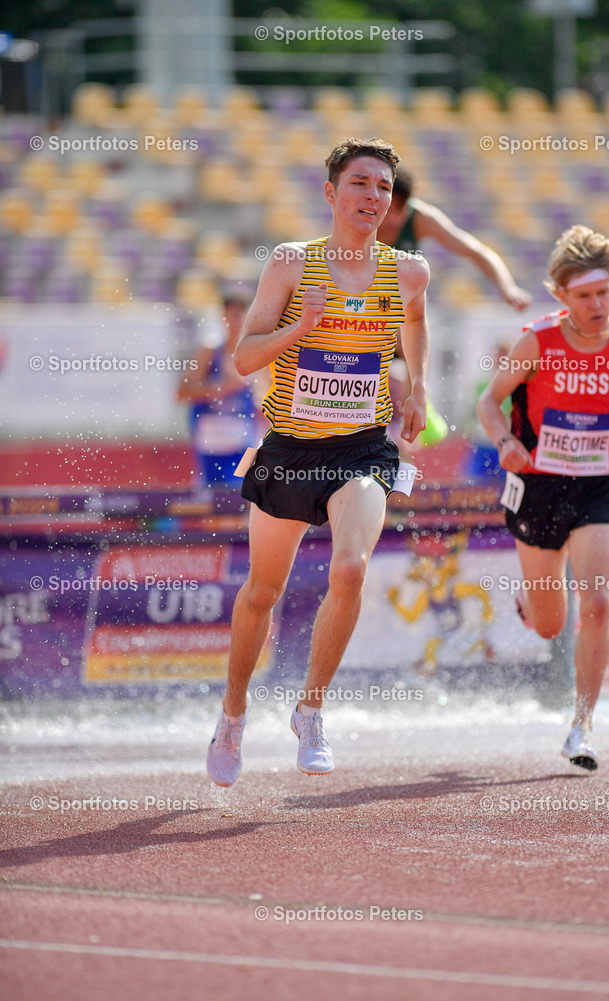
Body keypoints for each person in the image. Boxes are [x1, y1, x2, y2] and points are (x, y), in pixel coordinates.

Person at [207, 137, 430, 786]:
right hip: (289, 449)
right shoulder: (290, 263)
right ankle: (233, 712)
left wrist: (417, 387)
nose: (372, 197)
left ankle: (310, 710)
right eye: (360, 184)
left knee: (353, 568)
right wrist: (299, 332)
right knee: (262, 595)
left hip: (360, 447)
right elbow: (244, 358)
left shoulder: (407, 271)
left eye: (383, 188)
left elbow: (415, 322)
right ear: (331, 193)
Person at [476, 224, 609, 771]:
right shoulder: (536, 341)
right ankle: (530, 604)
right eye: (584, 296)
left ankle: (581, 725)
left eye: (604, 293)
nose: (597, 304)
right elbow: (490, 401)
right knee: (552, 623)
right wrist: (505, 440)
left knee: (599, 604)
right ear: (562, 297)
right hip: (536, 488)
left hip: (597, 488)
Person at [377, 167, 531, 311]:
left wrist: (507, 288)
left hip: (400, 299)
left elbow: (477, 251)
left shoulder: (421, 218)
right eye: (390, 209)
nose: (394, 219)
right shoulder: (359, 215)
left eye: (401, 209)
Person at [177, 290, 260, 486]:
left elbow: (264, 401)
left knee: (243, 496)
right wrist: (220, 389)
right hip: (209, 442)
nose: (236, 321)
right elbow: (181, 393)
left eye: (241, 315)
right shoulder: (209, 351)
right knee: (213, 503)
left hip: (244, 443)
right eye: (231, 315)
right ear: (222, 318)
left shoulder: (257, 353)